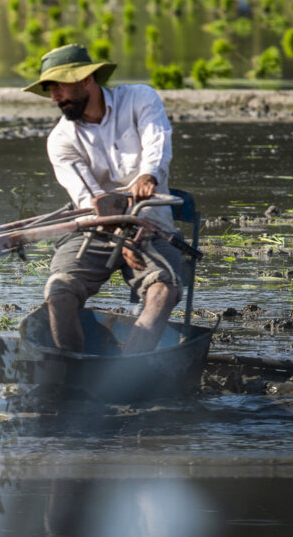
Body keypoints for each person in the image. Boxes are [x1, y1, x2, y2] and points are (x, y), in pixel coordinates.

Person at [22, 44, 184, 355]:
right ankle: (75, 369)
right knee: (59, 291)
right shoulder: (61, 140)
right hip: (94, 230)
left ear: (87, 80)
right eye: (50, 89)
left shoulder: (139, 99)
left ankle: (127, 371)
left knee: (162, 290)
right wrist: (122, 241)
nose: (55, 97)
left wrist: (147, 176)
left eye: (60, 85)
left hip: (151, 225)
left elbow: (157, 143)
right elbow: (89, 200)